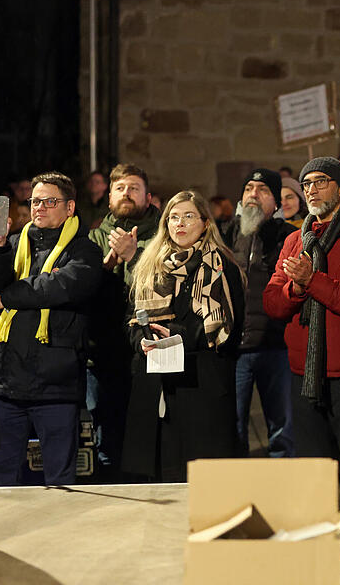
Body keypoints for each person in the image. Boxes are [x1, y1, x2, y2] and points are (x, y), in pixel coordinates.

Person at [264, 157, 340, 585]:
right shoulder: (293, 242)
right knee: (311, 468)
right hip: (304, 370)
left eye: (320, 182)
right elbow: (273, 304)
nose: (311, 190)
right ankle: (317, 548)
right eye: (306, 183)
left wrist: (312, 280)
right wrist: (298, 285)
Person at [121, 190, 244, 482]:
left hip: (201, 384)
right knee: (162, 477)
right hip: (157, 382)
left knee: (205, 482)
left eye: (189, 217)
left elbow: (231, 327)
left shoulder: (221, 266)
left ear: (205, 223)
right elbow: (130, 319)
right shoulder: (149, 267)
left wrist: (177, 337)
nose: (180, 224)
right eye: (174, 217)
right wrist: (141, 339)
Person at [0, 172, 102, 485]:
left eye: (49, 201)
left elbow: (59, 286)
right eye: (34, 201)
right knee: (1, 482)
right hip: (5, 385)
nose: (39, 207)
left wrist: (6, 299)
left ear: (69, 208)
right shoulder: (14, 244)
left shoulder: (85, 250)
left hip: (56, 387)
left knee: (60, 483)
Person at [87, 163, 161, 475]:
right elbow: (84, 293)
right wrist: (107, 265)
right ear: (109, 197)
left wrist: (133, 258)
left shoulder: (163, 238)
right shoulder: (92, 239)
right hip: (102, 351)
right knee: (106, 435)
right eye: (120, 188)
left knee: (147, 430)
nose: (126, 194)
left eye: (134, 188)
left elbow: (161, 289)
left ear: (147, 197)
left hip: (147, 351)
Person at [223, 169, 297, 458]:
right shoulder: (226, 234)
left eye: (263, 189)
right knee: (234, 427)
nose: (253, 194)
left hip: (276, 347)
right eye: (249, 188)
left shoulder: (288, 237)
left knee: (282, 428)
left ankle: (284, 495)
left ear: (276, 202)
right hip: (234, 348)